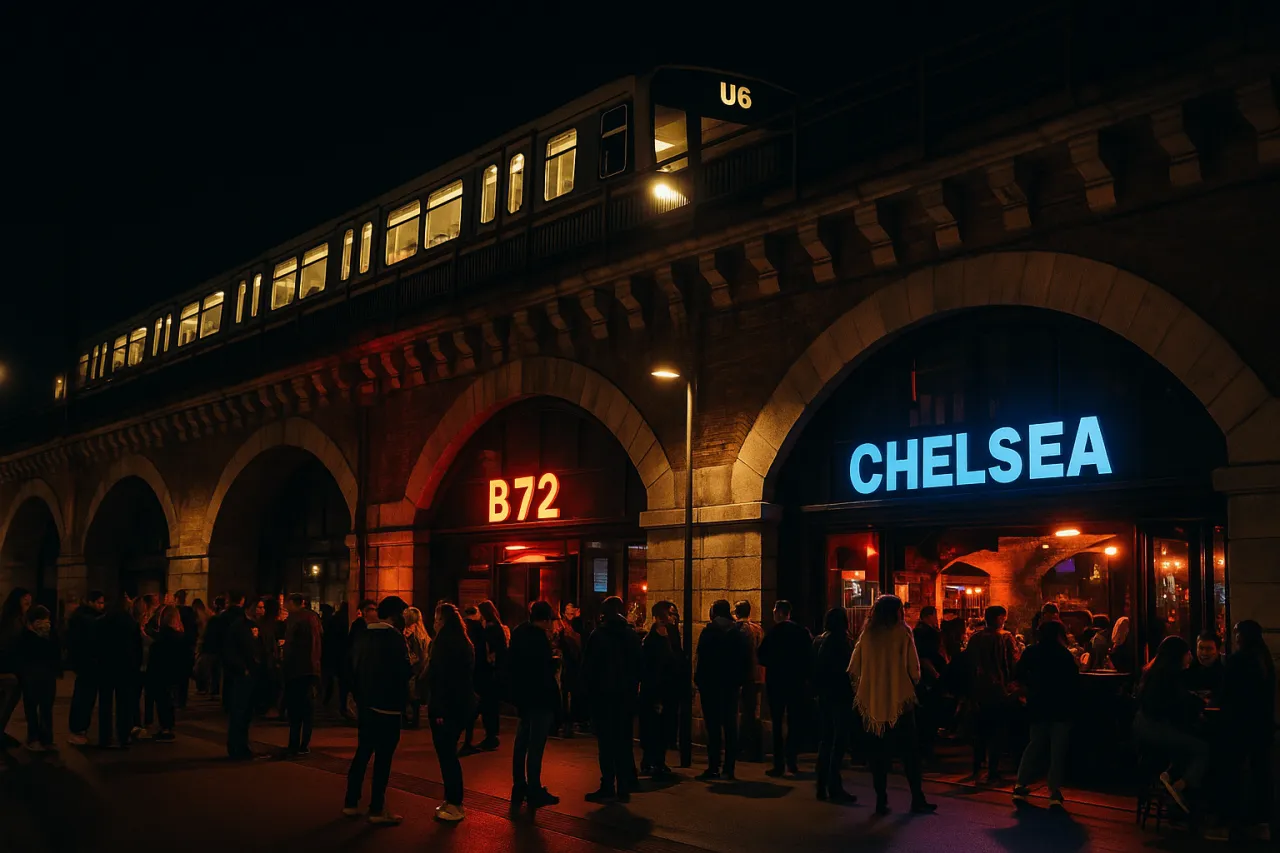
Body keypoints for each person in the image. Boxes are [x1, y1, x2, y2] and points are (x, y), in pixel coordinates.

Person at [850, 595, 936, 816]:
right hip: (901, 700)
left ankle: (881, 800)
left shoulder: (867, 634)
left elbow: (854, 668)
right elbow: (914, 669)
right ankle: (917, 798)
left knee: (879, 754)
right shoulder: (903, 632)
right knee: (910, 753)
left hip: (874, 700)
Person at [342, 595, 410, 825]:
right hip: (388, 707)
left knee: (363, 753)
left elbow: (353, 667)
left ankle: (351, 802)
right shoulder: (394, 638)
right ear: (395, 615)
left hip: (367, 704)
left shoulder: (365, 635)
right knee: (383, 759)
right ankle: (377, 808)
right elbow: (403, 672)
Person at [1132, 635, 1210, 814]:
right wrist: (1200, 703)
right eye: (1188, 653)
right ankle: (1179, 787)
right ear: (1178, 655)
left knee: (1185, 745)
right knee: (1202, 748)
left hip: (1144, 728)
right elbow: (1181, 703)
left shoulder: (1153, 673)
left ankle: (1168, 776)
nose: (1190, 657)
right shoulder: (1170, 677)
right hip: (1156, 730)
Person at [1011, 620, 1078, 807]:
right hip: (1060, 707)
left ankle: (1020, 783)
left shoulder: (1031, 652)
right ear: (1059, 634)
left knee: (1035, 744)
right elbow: (1073, 683)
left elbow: (1018, 675)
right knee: (1058, 750)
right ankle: (1054, 791)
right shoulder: (1064, 655)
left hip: (1038, 704)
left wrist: (1027, 692)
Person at [582, 596, 642, 802]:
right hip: (626, 697)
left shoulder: (598, 635)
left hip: (603, 697)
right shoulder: (631, 636)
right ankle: (623, 786)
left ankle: (607, 784)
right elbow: (639, 667)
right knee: (624, 742)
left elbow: (589, 669)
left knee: (606, 744)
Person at [1220, 620, 1275, 841]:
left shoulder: (1238, 661)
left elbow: (1227, 694)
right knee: (1261, 772)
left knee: (1233, 771)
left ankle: (1235, 820)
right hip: (1261, 726)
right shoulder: (1265, 661)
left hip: (1239, 726)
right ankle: (1261, 822)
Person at [508, 600, 562, 809]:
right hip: (540, 698)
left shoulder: (519, 632)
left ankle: (519, 785)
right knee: (536, 745)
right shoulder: (539, 639)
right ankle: (534, 789)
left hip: (523, 697)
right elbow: (544, 672)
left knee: (521, 743)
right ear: (546, 620)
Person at [427, 603, 475, 823]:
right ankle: (451, 799)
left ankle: (455, 801)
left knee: (446, 755)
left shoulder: (443, 645)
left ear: (442, 621)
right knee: (449, 754)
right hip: (461, 705)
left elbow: (441, 680)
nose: (434, 623)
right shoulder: (464, 643)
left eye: (436, 619)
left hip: (446, 707)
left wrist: (438, 709)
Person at [694, 599, 751, 781]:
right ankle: (729, 768)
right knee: (730, 727)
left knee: (713, 728)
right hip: (730, 686)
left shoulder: (709, 632)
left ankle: (713, 766)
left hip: (711, 686)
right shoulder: (737, 634)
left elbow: (701, 660)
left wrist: (699, 681)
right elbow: (745, 661)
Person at [757, 599, 811, 777]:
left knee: (777, 723)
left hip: (777, 683)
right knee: (795, 722)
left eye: (774, 611)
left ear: (779, 612)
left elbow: (762, 657)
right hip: (796, 683)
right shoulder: (801, 632)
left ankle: (778, 763)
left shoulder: (773, 633)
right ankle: (792, 761)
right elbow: (809, 657)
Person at [964, 604, 1018, 782]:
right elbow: (1013, 663)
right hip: (998, 690)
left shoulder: (975, 638)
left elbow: (968, 664)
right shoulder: (1005, 638)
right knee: (997, 730)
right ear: (999, 618)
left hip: (977, 690)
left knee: (980, 730)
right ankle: (993, 769)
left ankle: (977, 765)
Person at [812, 607, 855, 801]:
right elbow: (846, 671)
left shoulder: (819, 640)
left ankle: (821, 785)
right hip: (839, 696)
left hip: (824, 696)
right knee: (839, 741)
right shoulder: (840, 642)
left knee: (826, 740)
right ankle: (834, 786)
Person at [93, 585, 142, 749]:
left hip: (106, 665)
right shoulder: (129, 622)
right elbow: (137, 646)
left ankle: (105, 737)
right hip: (125, 666)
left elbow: (96, 645)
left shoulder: (102, 621)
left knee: (105, 703)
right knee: (124, 702)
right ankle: (123, 734)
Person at [639, 600, 680, 777]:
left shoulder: (672, 635)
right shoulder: (650, 640)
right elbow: (649, 669)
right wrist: (655, 695)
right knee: (652, 727)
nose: (671, 618)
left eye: (672, 614)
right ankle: (650, 760)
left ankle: (659, 760)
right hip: (654, 690)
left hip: (669, 688)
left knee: (664, 726)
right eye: (668, 614)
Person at [222, 592, 264, 760]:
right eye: (259, 607)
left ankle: (243, 745)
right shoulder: (239, 626)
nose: (262, 610)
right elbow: (231, 650)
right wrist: (242, 668)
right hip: (241, 676)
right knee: (239, 712)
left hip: (253, 674)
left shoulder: (256, 625)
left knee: (246, 713)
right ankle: (236, 747)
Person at [15, 604, 60, 751]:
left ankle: (47, 739)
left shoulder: (50, 635)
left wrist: (49, 636)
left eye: (48, 620)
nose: (46, 623)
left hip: (47, 676)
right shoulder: (24, 637)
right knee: (32, 708)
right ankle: (33, 738)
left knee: (47, 708)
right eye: (43, 620)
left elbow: (55, 653)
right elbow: (25, 656)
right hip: (31, 677)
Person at [283, 593, 323, 755]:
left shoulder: (296, 619)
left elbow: (291, 646)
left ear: (293, 603)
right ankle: (304, 744)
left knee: (295, 710)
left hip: (297, 670)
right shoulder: (314, 618)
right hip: (312, 669)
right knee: (308, 709)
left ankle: (294, 744)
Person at [66, 591, 106, 745]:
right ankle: (78, 729)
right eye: (98, 602)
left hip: (87, 663)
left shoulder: (85, 617)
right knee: (84, 697)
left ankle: (80, 728)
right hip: (87, 662)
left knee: (86, 697)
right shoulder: (85, 618)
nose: (101, 606)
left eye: (102, 603)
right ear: (89, 602)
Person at [145, 605, 187, 743]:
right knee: (169, 701)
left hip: (161, 672)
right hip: (174, 673)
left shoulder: (162, 637)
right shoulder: (180, 635)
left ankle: (165, 728)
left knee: (162, 700)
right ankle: (168, 726)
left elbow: (156, 655)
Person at [732, 600, 765, 764]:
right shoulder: (757, 628)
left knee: (744, 712)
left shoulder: (739, 629)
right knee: (754, 712)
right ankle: (756, 748)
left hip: (745, 676)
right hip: (758, 675)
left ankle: (745, 747)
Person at [911, 605, 946, 758]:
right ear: (929, 615)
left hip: (926, 675)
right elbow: (925, 656)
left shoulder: (918, 631)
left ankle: (926, 746)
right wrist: (935, 673)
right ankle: (926, 748)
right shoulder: (925, 633)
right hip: (929, 676)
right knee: (929, 713)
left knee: (927, 713)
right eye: (935, 614)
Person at [0, 587, 33, 747]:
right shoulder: (13, 620)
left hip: (15, 667)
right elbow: (10, 644)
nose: (28, 600)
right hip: (10, 668)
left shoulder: (21, 618)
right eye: (24, 598)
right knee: (7, 700)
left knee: (8, 701)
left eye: (29, 597)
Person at [475, 600, 508, 750]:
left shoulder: (490, 629)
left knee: (488, 705)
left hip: (489, 673)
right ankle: (492, 734)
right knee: (491, 705)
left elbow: (488, 650)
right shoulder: (498, 628)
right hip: (496, 672)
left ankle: (490, 735)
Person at [460, 605, 490, 754]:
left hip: (467, 672)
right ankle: (468, 740)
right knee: (477, 706)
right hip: (479, 672)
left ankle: (466, 739)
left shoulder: (463, 628)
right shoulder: (479, 628)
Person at [342, 599, 376, 721]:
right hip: (359, 667)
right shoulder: (359, 625)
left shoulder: (370, 626)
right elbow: (355, 648)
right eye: (371, 610)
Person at [554, 602, 584, 738]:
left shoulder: (571, 632)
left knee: (568, 695)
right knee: (568, 695)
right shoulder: (568, 631)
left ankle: (568, 723)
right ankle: (569, 723)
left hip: (571, 667)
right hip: (572, 666)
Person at [402, 606, 430, 728]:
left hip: (413, 669)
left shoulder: (411, 635)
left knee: (410, 696)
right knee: (415, 698)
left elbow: (414, 654)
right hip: (421, 669)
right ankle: (414, 721)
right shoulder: (423, 635)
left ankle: (410, 721)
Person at [201, 595, 229, 703]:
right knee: (217, 670)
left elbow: (209, 635)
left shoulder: (216, 619)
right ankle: (215, 690)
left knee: (215, 670)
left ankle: (214, 690)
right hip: (221, 647)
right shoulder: (223, 617)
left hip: (215, 648)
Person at [173, 590, 198, 708]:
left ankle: (177, 699)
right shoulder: (189, 612)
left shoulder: (175, 611)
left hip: (178, 646)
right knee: (183, 676)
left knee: (177, 675)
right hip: (186, 646)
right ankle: (181, 700)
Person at [1183, 630, 1224, 700]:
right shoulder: (1188, 670)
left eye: (1209, 649)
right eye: (1201, 648)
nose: (1204, 653)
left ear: (1218, 651)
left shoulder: (1226, 671)